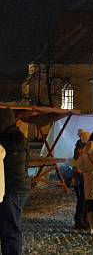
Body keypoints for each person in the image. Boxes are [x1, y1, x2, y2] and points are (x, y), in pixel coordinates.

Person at [0, 109, 29, 254]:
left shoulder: (14, 140)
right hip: (10, 190)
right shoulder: (10, 138)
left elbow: (13, 170)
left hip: (12, 191)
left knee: (10, 231)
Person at [71, 130, 90, 230]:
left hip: (82, 178)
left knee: (84, 201)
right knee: (82, 201)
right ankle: (79, 221)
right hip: (80, 179)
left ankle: (83, 220)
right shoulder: (80, 150)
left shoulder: (80, 148)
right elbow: (77, 166)